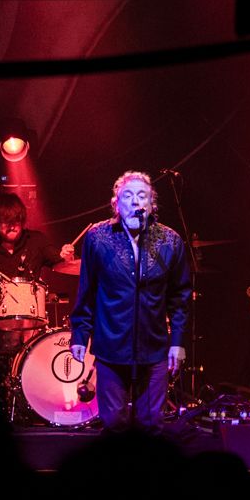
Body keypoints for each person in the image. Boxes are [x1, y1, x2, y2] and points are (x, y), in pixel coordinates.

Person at [70, 171, 191, 432]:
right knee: (114, 423)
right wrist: (80, 334)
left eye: (142, 196)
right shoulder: (97, 238)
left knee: (151, 423)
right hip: (111, 347)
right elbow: (87, 291)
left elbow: (180, 297)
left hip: (153, 348)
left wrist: (178, 343)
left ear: (151, 204)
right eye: (128, 195)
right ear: (116, 204)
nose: (135, 201)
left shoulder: (170, 241)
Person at [0, 191, 74, 284]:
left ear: (22, 221)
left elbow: (62, 260)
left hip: (30, 310)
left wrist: (67, 255)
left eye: (16, 221)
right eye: (6, 222)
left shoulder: (36, 240)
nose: (11, 226)